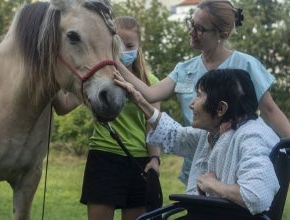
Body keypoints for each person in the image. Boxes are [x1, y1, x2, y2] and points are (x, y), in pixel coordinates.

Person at [116, 0, 290, 185]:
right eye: (191, 23)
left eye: (200, 29)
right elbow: (150, 94)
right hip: (197, 162)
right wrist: (116, 63)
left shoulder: (246, 65)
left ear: (221, 34)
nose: (191, 31)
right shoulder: (184, 69)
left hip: (235, 165)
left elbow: (270, 111)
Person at [114, 68, 280, 215]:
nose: (192, 104)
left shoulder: (252, 137)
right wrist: (139, 100)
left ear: (221, 108)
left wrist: (212, 184)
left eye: (199, 95)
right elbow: (174, 134)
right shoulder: (216, 132)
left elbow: (256, 196)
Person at [53, 16, 161, 220]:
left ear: (139, 46)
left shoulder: (150, 83)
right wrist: (52, 74)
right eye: (118, 44)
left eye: (129, 45)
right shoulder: (99, 81)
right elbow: (63, 107)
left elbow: (153, 124)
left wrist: (155, 159)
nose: (124, 50)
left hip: (140, 162)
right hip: (104, 157)